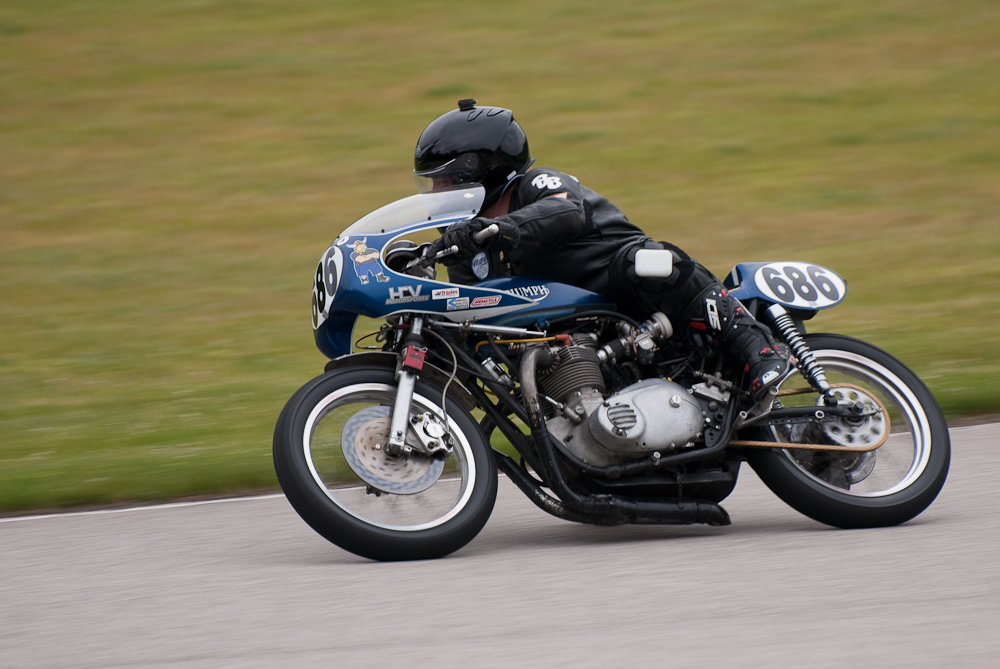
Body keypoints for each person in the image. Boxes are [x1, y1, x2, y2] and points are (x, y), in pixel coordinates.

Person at [417, 99, 789, 402]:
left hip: (619, 288)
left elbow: (565, 211)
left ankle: (756, 345)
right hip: (577, 336)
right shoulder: (468, 243)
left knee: (648, 263)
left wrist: (502, 229)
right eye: (432, 183)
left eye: (444, 181)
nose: (436, 193)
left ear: (478, 170)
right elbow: (472, 307)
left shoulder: (537, 184)